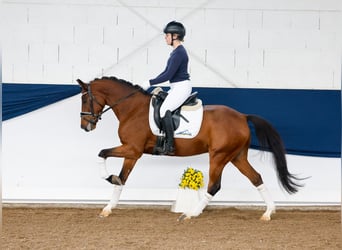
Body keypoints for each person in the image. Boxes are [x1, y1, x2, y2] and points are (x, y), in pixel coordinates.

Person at [140, 21, 191, 155]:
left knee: (164, 110)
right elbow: (165, 72)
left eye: (167, 35)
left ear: (175, 36)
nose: (165, 37)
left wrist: (149, 83)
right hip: (176, 87)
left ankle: (170, 145)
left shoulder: (179, 53)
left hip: (181, 87)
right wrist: (150, 81)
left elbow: (168, 75)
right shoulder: (176, 52)